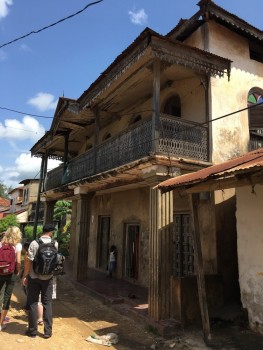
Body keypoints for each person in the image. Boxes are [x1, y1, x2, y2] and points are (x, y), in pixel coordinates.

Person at [22, 223, 58, 338]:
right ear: (51, 232)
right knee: (47, 303)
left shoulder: (34, 243)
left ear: (42, 231)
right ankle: (48, 332)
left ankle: (32, 331)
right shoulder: (55, 244)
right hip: (48, 278)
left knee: (33, 302)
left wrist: (25, 275)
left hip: (34, 277)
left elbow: (28, 261)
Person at [0, 226, 22, 331]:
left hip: (0, 272)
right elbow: (18, 261)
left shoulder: (0, 244)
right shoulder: (18, 245)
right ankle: (1, 323)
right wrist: (17, 272)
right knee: (7, 297)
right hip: (11, 273)